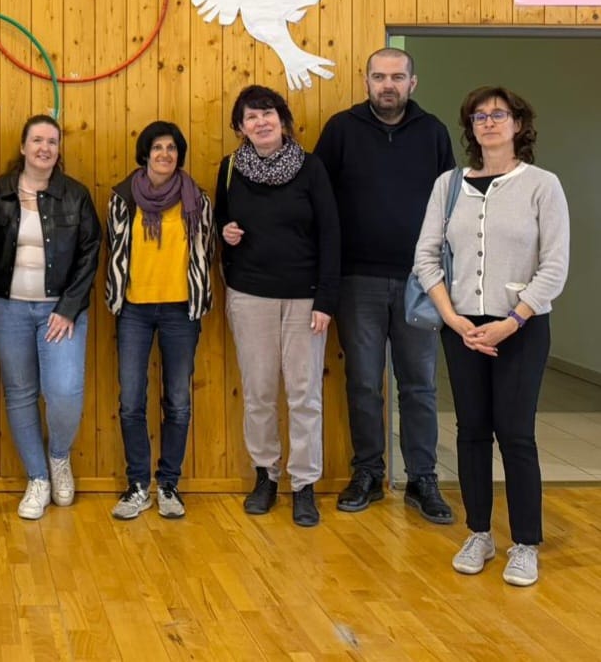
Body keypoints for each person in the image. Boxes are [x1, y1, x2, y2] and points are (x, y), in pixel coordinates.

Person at [414, 86, 568, 587]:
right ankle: (478, 533)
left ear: (518, 124)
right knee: (472, 431)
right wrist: (453, 318)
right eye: (479, 116)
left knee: (516, 433)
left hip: (520, 327)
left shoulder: (542, 185)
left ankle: (525, 543)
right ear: (470, 128)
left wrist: (512, 321)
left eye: (499, 114)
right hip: (463, 328)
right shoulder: (448, 185)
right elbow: (426, 257)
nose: (489, 122)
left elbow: (554, 267)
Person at [314, 48, 456, 523]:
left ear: (412, 82)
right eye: (379, 77)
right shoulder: (341, 130)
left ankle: (422, 479)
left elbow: (450, 205)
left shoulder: (433, 132)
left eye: (397, 77)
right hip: (358, 280)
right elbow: (319, 201)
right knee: (363, 383)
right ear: (366, 81)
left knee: (419, 385)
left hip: (421, 281)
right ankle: (369, 473)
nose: (388, 85)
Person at [215, 85, 339, 527]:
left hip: (306, 298)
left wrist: (326, 299)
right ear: (240, 127)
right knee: (259, 393)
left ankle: (304, 484)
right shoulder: (230, 168)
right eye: (251, 117)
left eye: (267, 113)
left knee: (304, 395)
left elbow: (331, 233)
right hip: (250, 296)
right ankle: (265, 475)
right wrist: (226, 231)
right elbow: (221, 219)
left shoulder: (311, 167)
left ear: (282, 120)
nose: (260, 122)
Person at [0, 115, 101, 520]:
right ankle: (37, 478)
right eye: (36, 140)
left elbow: (90, 252)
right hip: (6, 307)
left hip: (60, 310)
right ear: (23, 146)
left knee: (64, 391)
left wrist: (68, 308)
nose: (44, 148)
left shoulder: (75, 195)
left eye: (52, 141)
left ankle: (59, 457)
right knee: (20, 393)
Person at [104, 121, 216, 521]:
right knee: (131, 402)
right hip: (134, 311)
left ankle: (169, 484)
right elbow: (114, 250)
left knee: (179, 402)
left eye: (171, 148)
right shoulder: (122, 198)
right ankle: (138, 485)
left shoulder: (197, 199)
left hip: (180, 312)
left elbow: (206, 251)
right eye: (157, 147)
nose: (164, 154)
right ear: (145, 154)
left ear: (179, 154)